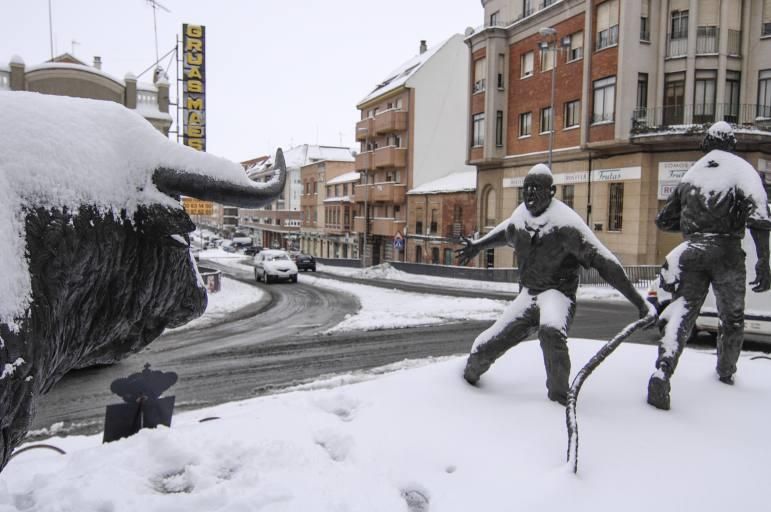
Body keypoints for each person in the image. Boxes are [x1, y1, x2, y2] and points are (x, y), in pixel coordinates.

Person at [457, 164, 655, 405]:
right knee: (482, 350)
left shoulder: (566, 225)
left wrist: (638, 301)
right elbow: (506, 229)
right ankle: (462, 390)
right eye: (526, 188)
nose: (530, 194)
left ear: (551, 191)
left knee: (551, 333)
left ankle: (560, 400)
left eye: (536, 189)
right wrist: (478, 245)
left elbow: (606, 263)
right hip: (528, 296)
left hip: (557, 295)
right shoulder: (521, 217)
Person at [648, 121, 771, 410]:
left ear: (706, 144)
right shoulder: (742, 171)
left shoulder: (693, 175)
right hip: (727, 252)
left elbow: (663, 220)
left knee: (682, 313)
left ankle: (663, 369)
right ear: (732, 144)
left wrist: (695, 228)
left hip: (692, 252)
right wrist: (765, 261)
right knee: (731, 318)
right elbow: (760, 219)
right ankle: (726, 373)